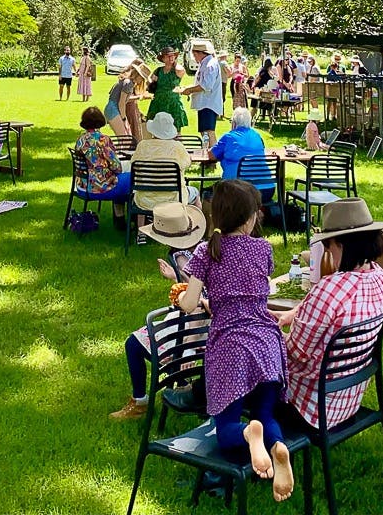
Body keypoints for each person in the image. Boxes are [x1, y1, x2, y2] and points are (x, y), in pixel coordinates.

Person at [177, 179, 292, 501]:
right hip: (267, 342)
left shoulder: (206, 251)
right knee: (265, 416)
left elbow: (189, 303)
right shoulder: (264, 249)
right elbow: (251, 292)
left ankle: (246, 435)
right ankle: (277, 446)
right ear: (249, 217)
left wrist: (187, 299)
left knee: (226, 426)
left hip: (231, 347)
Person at [280, 199, 383, 435]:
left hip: (308, 408)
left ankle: (224, 453)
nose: (329, 253)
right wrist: (296, 313)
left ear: (342, 245)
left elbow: (294, 354)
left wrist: (266, 334)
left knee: (240, 367)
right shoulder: (382, 278)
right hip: (347, 401)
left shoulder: (329, 288)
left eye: (329, 246)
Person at [112, 204, 208, 420]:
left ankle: (142, 402)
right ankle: (184, 386)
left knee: (133, 344)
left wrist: (188, 350)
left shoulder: (182, 256)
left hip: (198, 321)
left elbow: (194, 302)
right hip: (208, 319)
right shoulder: (207, 247)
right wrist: (175, 280)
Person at [129, 112, 195, 210]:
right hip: (174, 199)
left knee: (140, 200)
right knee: (196, 194)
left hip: (145, 199)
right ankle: (197, 223)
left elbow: (133, 164)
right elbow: (187, 163)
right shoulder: (177, 147)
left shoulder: (142, 146)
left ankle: (141, 225)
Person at [73, 105, 132, 214]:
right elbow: (116, 167)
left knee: (120, 181)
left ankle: (119, 218)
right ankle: (129, 218)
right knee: (131, 178)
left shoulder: (80, 140)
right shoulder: (102, 140)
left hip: (82, 186)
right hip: (100, 188)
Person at [211, 107, 272, 195]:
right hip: (267, 188)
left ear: (234, 123)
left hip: (239, 191)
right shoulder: (257, 136)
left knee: (211, 192)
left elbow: (212, 155)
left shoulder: (228, 137)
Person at [185, 38, 226, 149]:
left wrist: (189, 90)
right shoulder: (206, 63)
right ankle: (207, 156)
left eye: (194, 54)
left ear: (201, 53)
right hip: (205, 103)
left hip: (209, 103)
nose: (194, 57)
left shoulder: (210, 65)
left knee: (208, 132)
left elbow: (206, 86)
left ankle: (212, 158)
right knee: (205, 132)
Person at [148, 47, 189, 133]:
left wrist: (174, 63)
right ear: (163, 58)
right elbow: (150, 82)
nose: (171, 58)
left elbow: (181, 70)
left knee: (176, 129)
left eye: (173, 56)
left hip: (173, 103)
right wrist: (150, 82)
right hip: (158, 102)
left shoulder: (177, 70)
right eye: (168, 56)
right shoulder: (158, 70)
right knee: (157, 129)